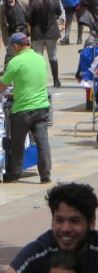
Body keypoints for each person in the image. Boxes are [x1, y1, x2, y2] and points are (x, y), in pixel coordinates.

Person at [0, 182, 98, 273]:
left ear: (91, 223)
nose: (65, 229)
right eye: (59, 220)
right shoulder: (38, 251)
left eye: (74, 221)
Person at [0, 33, 51, 183]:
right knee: (42, 142)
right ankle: (45, 174)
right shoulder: (40, 58)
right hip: (42, 107)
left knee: (18, 142)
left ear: (16, 46)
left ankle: (15, 173)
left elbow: (3, 85)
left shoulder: (16, 62)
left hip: (23, 109)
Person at [27, 0, 62, 88]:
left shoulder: (34, 3)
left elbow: (28, 17)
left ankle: (38, 81)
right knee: (53, 56)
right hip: (52, 33)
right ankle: (56, 80)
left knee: (38, 58)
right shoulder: (54, 2)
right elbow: (59, 13)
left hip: (37, 33)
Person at [0, 0, 28, 70]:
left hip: (23, 33)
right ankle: (7, 75)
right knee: (10, 56)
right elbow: (2, 24)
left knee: (24, 54)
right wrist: (3, 39)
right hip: (10, 34)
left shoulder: (22, 4)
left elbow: (28, 19)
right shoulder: (2, 8)